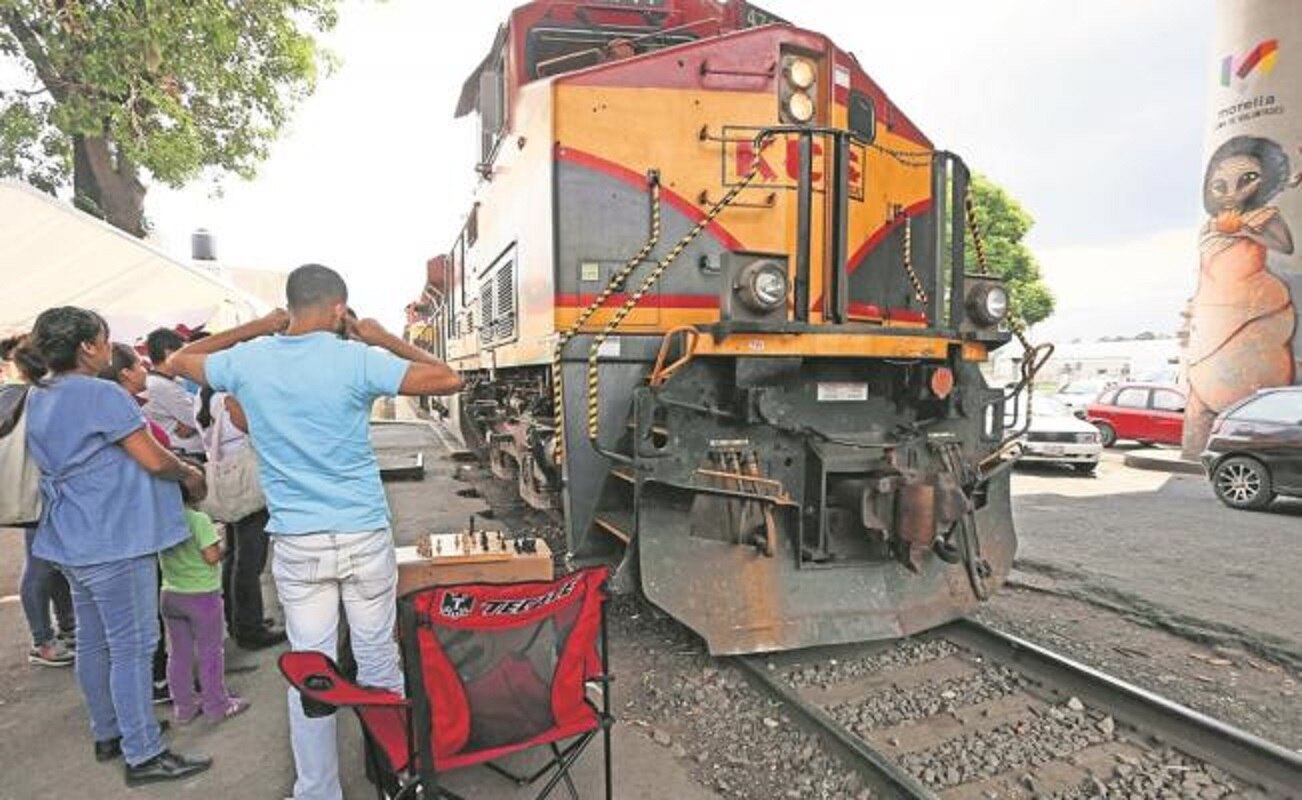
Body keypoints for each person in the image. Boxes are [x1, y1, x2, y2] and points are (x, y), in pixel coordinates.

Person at [169, 264, 463, 800]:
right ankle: (399, 777)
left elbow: (178, 361)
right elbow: (448, 378)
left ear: (290, 307)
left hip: (298, 543)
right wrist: (380, 336)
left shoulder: (250, 360)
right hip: (363, 535)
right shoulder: (357, 358)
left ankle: (317, 791)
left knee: (313, 672)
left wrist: (257, 327)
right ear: (337, 310)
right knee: (378, 661)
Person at [17, 307, 212, 785]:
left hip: (70, 538)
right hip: (114, 537)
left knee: (94, 641)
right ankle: (143, 752)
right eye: (105, 339)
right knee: (134, 646)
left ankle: (110, 732)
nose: (110, 347)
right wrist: (189, 474)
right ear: (88, 346)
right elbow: (151, 457)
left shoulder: (38, 394)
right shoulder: (100, 394)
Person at [98, 342, 178, 703]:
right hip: (129, 527)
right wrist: (190, 475)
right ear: (125, 373)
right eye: (139, 364)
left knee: (109, 634)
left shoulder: (60, 401)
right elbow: (157, 460)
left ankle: (121, 718)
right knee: (137, 633)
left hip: (109, 527)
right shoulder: (117, 406)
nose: (146, 368)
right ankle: (151, 697)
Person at [7, 332, 78, 666]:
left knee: (54, 564)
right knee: (40, 566)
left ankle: (67, 627)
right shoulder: (27, 396)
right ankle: (42, 640)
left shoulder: (24, 394)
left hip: (43, 490)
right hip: (38, 490)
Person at [196, 385, 285, 649]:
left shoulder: (202, 398)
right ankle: (250, 628)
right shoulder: (228, 399)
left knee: (235, 555)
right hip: (246, 484)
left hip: (229, 483)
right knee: (249, 560)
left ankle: (237, 621)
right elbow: (257, 428)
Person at [160, 469, 250, 724]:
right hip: (201, 596)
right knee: (211, 651)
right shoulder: (198, 520)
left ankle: (184, 706)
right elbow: (210, 556)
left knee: (179, 653)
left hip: (170, 593)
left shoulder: (161, 519)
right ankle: (216, 704)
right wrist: (221, 545)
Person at [143, 327, 205, 459]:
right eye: (184, 353)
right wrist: (195, 423)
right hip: (188, 453)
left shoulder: (169, 381)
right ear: (169, 353)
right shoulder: (161, 386)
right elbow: (198, 419)